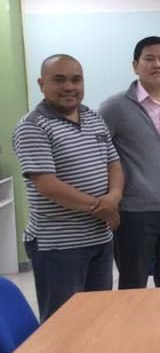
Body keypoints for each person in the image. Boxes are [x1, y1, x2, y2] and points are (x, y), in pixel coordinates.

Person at [13, 55, 124, 321]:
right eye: (59, 80)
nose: (69, 87)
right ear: (41, 83)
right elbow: (47, 185)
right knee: (63, 322)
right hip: (58, 246)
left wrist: (114, 196)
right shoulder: (32, 126)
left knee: (98, 317)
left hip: (99, 238)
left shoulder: (94, 118)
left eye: (76, 80)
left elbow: (114, 164)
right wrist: (102, 208)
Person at [100, 36, 160, 289]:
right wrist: (111, 198)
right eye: (149, 59)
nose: (157, 64)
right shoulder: (114, 107)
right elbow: (100, 154)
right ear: (136, 65)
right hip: (133, 212)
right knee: (133, 284)